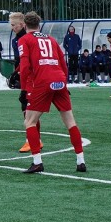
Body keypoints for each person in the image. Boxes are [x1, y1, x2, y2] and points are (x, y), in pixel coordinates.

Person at [18, 12, 87, 173]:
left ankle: (37, 161)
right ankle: (80, 161)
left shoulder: (24, 40)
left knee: (30, 122)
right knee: (70, 122)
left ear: (24, 24)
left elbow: (25, 66)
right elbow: (63, 63)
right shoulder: (51, 39)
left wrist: (23, 89)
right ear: (39, 24)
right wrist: (64, 83)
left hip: (43, 81)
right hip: (59, 80)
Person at [10, 12, 43, 153]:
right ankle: (36, 139)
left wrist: (18, 72)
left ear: (22, 24)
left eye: (13, 25)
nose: (12, 28)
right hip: (25, 76)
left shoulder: (26, 38)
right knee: (29, 109)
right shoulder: (17, 39)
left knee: (28, 109)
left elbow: (28, 61)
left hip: (32, 78)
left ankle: (32, 141)